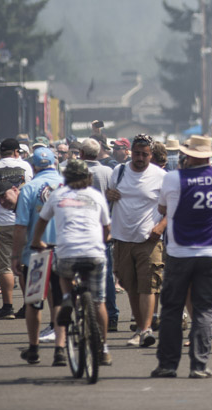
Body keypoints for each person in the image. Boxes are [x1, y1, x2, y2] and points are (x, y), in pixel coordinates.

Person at [151, 136, 212, 378]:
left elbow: (162, 209)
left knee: (171, 309)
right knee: (204, 310)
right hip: (210, 250)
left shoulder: (173, 177)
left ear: (187, 155)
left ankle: (168, 365)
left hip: (179, 250)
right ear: (209, 156)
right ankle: (199, 365)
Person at [32, 159, 113, 366]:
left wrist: (37, 241)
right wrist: (104, 240)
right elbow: (106, 229)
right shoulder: (96, 196)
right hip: (94, 253)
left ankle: (68, 297)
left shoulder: (57, 195)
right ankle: (103, 349)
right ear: (89, 178)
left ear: (66, 178)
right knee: (99, 302)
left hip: (67, 253)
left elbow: (41, 221)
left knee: (63, 274)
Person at [107, 134, 167, 347]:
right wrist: (109, 195)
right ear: (131, 152)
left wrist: (161, 227)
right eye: (137, 153)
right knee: (130, 286)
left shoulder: (161, 176)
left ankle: (146, 329)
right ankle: (140, 328)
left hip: (148, 240)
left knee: (148, 286)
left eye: (145, 154)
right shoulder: (119, 171)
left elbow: (173, 206)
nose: (140, 158)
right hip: (122, 239)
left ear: (151, 155)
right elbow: (109, 194)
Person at [13, 147, 63, 365]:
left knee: (34, 301)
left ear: (33, 166)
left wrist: (15, 256)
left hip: (36, 252)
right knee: (60, 299)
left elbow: (21, 227)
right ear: (55, 163)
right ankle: (60, 348)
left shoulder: (29, 188)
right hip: (63, 251)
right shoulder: (67, 185)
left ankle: (34, 348)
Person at [0, 138, 33, 322]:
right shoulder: (26, 167)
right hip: (21, 218)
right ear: (16, 152)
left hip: (2, 220)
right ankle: (28, 304)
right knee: (22, 265)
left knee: (4, 265)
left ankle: (8, 306)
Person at [80, 138, 120, 332]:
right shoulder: (108, 171)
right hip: (105, 227)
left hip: (80, 230)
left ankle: (83, 315)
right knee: (107, 275)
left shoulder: (73, 170)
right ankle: (111, 315)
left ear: (81, 153)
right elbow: (114, 194)